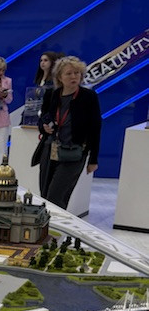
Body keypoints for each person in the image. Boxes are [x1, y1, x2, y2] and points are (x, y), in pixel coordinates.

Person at [37, 55, 101, 209]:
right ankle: (48, 224)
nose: (74, 77)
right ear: (60, 77)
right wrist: (44, 127)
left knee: (56, 197)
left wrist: (93, 159)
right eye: (69, 73)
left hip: (74, 152)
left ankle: (56, 225)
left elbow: (95, 127)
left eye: (77, 73)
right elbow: (43, 119)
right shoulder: (52, 94)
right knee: (45, 196)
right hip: (50, 150)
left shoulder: (88, 96)